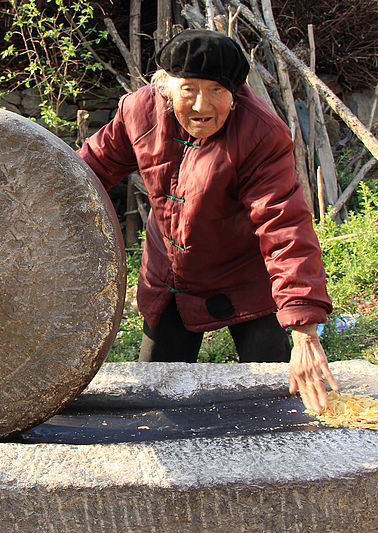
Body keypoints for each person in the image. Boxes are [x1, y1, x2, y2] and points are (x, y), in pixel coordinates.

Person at [78, 29, 338, 413]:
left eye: (217, 90)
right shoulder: (139, 112)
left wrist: (304, 327)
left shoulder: (261, 134)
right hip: (168, 276)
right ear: (166, 87)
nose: (202, 105)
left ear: (236, 93)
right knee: (155, 400)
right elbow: (86, 173)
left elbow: (284, 225)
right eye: (189, 89)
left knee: (279, 398)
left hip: (244, 276)